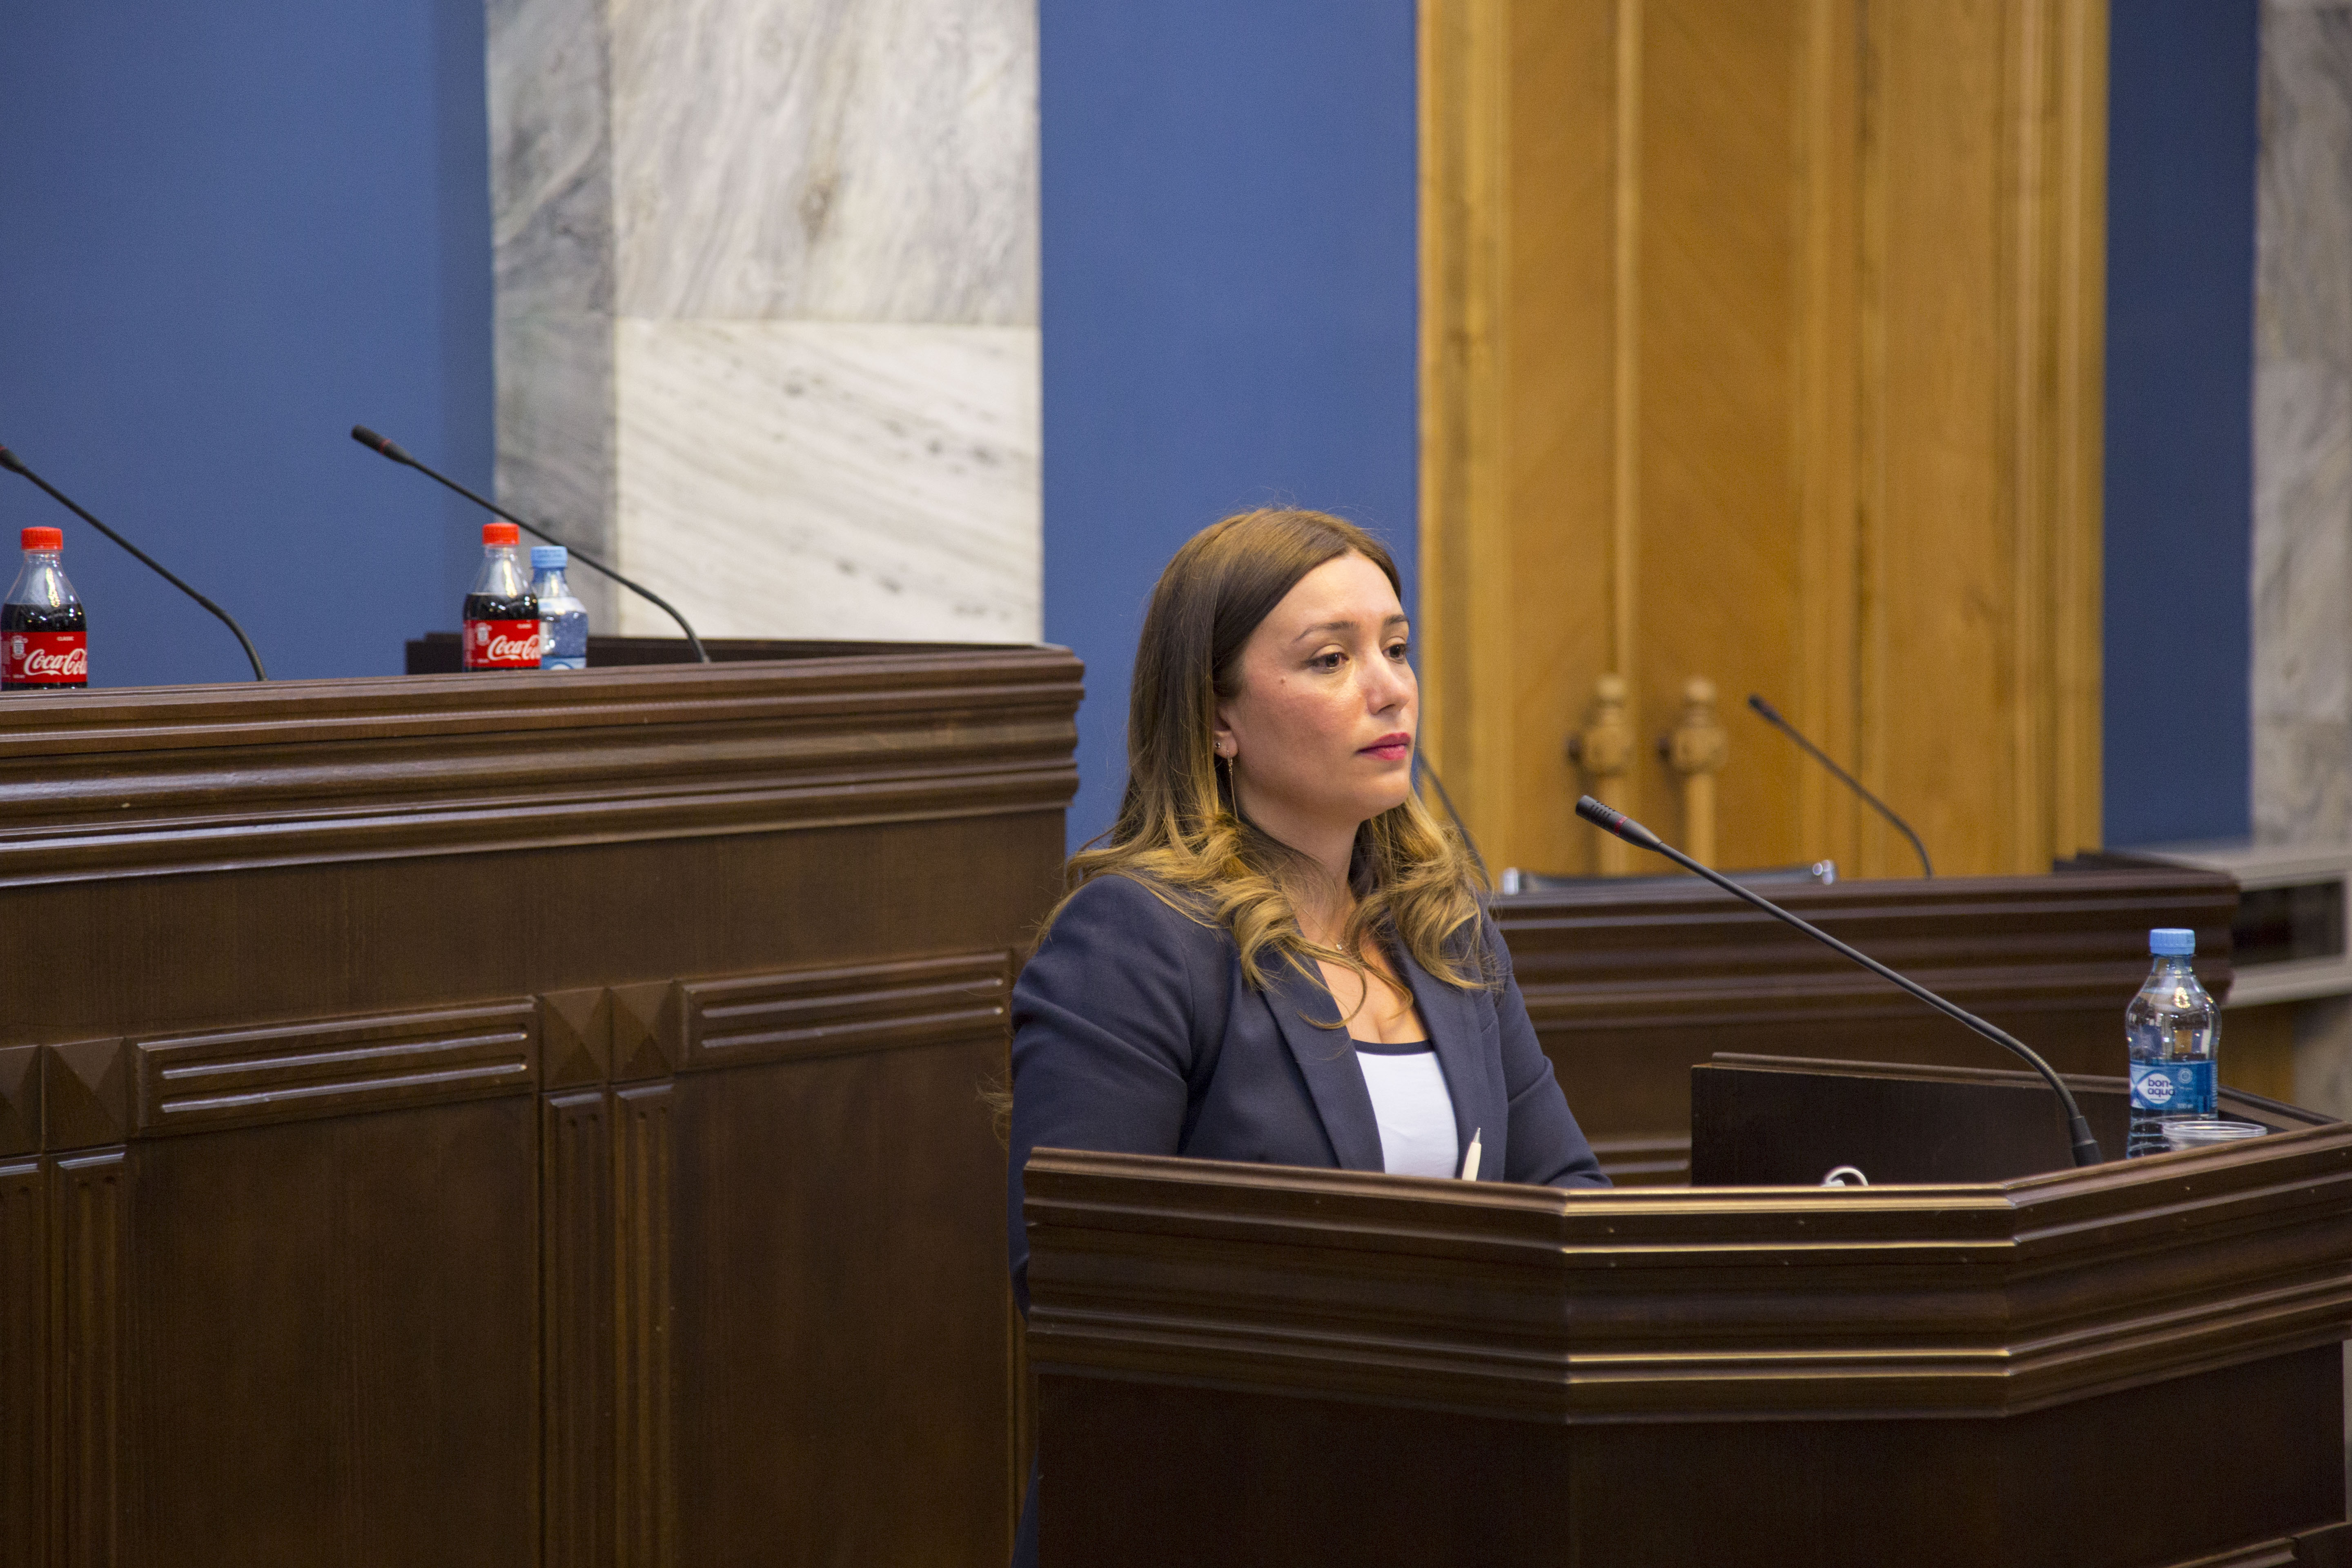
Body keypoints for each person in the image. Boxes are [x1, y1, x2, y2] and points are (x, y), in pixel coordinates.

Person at [1003, 508, 1608, 1564]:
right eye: (1332, 659)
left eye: (1397, 648)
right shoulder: (1136, 941)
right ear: (1218, 721)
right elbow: (1074, 1279)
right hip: (1214, 1513)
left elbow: (1572, 1201)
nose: (1390, 688)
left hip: (1441, 1500)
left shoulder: (1445, 934)